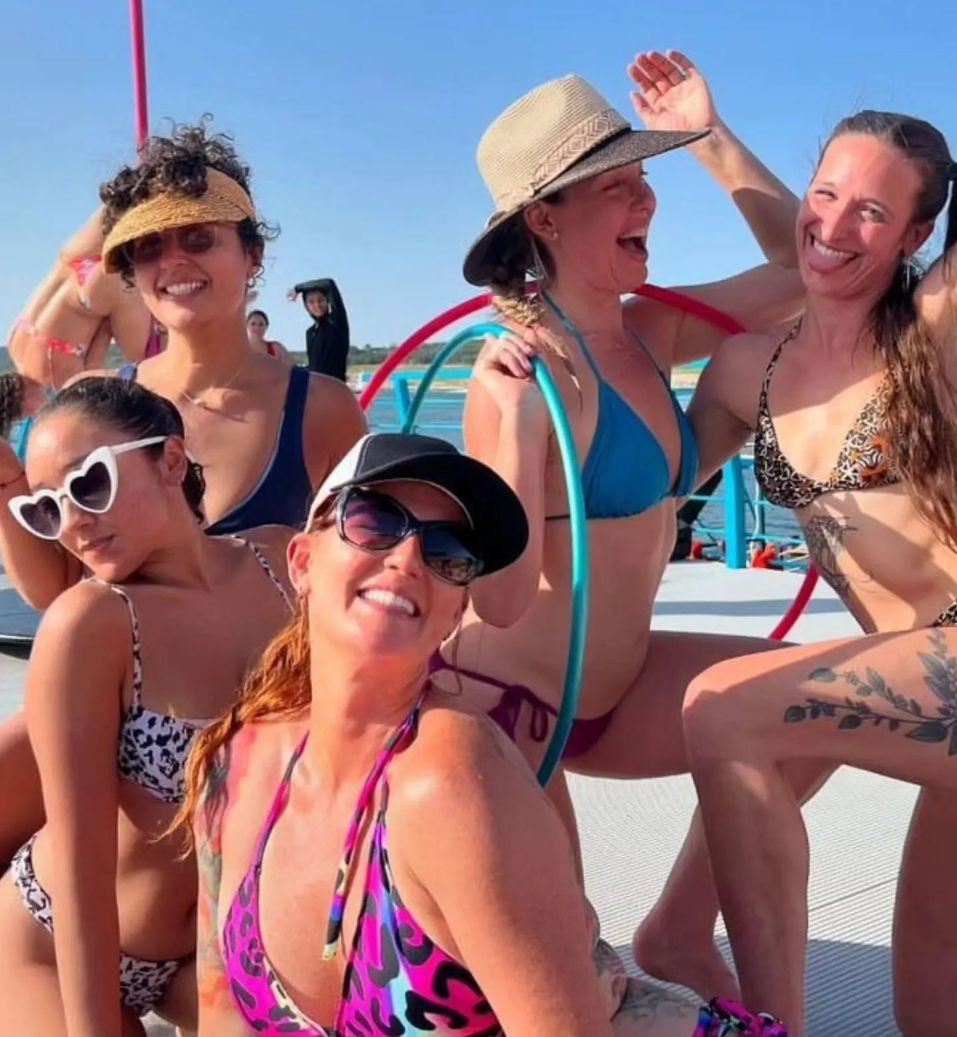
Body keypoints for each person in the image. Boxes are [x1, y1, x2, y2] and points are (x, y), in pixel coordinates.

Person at [430, 50, 804, 1003]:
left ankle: (679, 930)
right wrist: (511, 447)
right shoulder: (521, 375)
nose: (647, 202)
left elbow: (807, 271)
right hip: (509, 716)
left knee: (810, 712)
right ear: (543, 217)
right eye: (617, 186)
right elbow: (503, 599)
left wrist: (710, 138)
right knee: (567, 993)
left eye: (645, 179)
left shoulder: (651, 327)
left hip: (620, 682)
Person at [180, 431, 712, 1037]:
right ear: (302, 560)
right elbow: (221, 1012)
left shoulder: (450, 786)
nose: (408, 559)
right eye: (375, 519)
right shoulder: (237, 762)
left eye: (448, 552)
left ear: (456, 610)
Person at [0, 121, 365, 882]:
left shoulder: (321, 410)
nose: (175, 262)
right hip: (121, 713)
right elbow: (57, 590)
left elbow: (361, 581)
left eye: (198, 238)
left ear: (250, 255)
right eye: (147, 248)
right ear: (128, 274)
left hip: (257, 723)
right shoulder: (104, 408)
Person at [681, 110, 957, 1035]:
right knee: (930, 1001)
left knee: (727, 705)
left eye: (873, 212)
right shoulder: (742, 368)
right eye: (824, 193)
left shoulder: (933, 335)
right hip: (913, 682)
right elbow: (640, 495)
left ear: (918, 236)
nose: (835, 226)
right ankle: (676, 941)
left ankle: (772, 1025)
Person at [0, 377, 294, 1037]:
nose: (71, 524)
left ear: (169, 458)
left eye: (88, 483)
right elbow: (80, 873)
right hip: (54, 942)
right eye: (44, 510)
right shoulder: (93, 624)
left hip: (215, 945)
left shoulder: (280, 561)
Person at [6, 207, 161, 390]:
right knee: (124, 202)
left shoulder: (57, 377)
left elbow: (100, 351)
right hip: (73, 260)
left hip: (89, 294)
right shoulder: (14, 343)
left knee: (152, 358)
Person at [287, 277, 350, 379]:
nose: (317, 305)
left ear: (327, 301)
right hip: (316, 390)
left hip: (337, 388)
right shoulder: (310, 332)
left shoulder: (336, 322)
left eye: (321, 300)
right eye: (311, 302)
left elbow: (329, 284)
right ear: (306, 306)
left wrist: (297, 288)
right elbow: (315, 368)